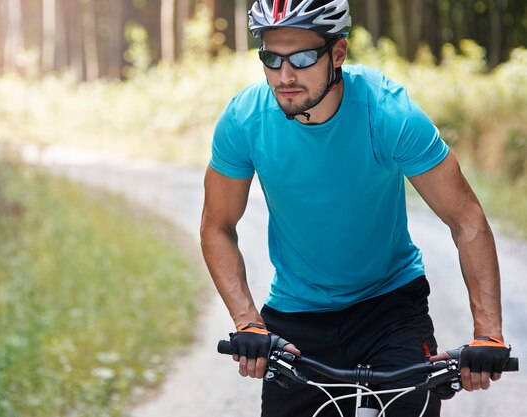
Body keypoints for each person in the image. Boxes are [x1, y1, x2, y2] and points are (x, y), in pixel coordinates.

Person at [199, 0, 511, 416]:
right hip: (297, 314)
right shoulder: (244, 119)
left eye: (303, 57)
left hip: (391, 306)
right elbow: (217, 226)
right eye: (272, 58)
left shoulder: (387, 112)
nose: (285, 75)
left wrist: (487, 334)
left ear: (338, 54)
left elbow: (465, 218)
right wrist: (248, 322)